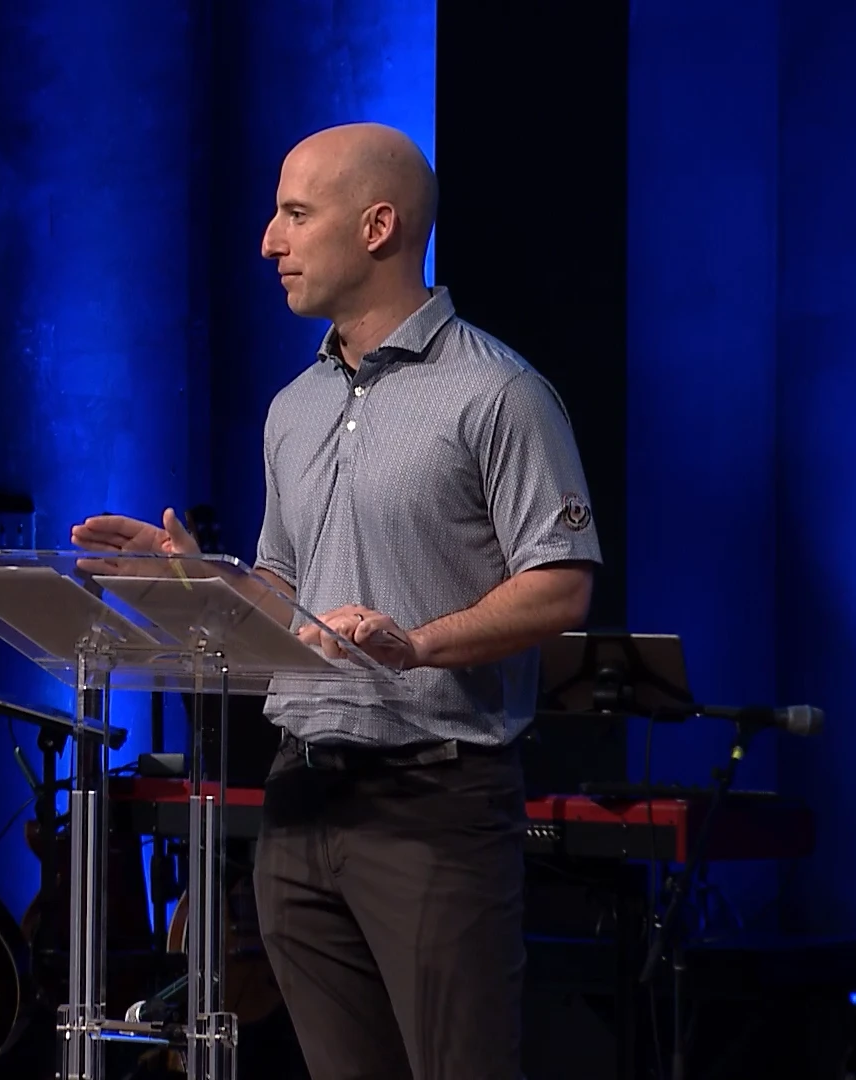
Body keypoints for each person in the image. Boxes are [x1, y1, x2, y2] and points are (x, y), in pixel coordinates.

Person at [71, 122, 600, 1080]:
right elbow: (286, 591)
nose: (269, 241)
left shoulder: (497, 393)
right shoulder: (295, 405)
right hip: (297, 799)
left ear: (377, 227)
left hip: (431, 802)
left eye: (295, 214)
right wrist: (194, 576)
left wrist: (418, 644)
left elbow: (561, 583)